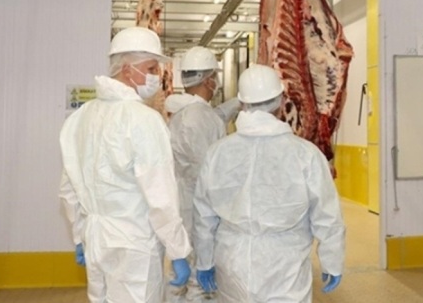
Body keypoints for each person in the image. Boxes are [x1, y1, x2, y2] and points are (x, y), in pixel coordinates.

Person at [59, 26, 191, 303]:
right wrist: (178, 250)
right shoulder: (144, 120)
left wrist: (79, 235)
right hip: (135, 244)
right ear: (129, 70)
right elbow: (161, 197)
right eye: (152, 68)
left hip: (97, 239)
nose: (157, 76)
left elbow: (69, 187)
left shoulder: (80, 117)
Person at [193, 64, 345, 302]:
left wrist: (204, 260)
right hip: (285, 265)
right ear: (281, 100)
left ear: (242, 104)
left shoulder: (218, 152)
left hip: (233, 260)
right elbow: (326, 215)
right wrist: (332, 261)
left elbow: (204, 215)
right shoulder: (305, 154)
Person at [167, 47, 232, 302]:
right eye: (214, 76)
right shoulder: (197, 117)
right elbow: (209, 170)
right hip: (199, 204)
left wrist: (237, 103)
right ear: (208, 80)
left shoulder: (187, 112)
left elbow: (213, 118)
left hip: (186, 200)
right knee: (200, 277)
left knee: (191, 269)